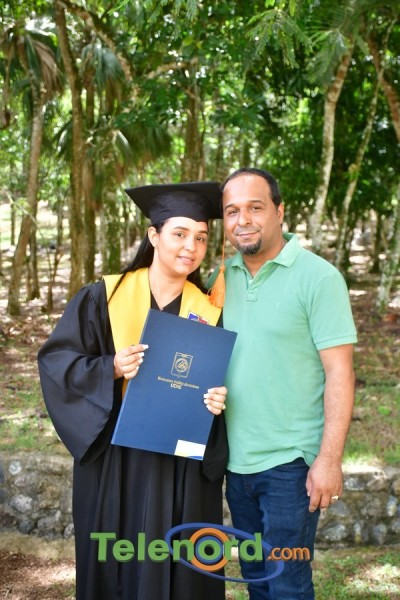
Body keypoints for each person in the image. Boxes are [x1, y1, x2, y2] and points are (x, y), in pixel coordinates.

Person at [37, 182, 229, 600]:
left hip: (181, 465)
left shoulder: (211, 311)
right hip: (116, 459)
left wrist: (217, 402)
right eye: (179, 234)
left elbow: (222, 384)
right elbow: (56, 362)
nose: (191, 247)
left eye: (201, 238)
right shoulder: (103, 298)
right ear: (153, 236)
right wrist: (109, 367)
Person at [212, 167, 357, 599]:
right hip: (236, 462)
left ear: (279, 211)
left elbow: (340, 372)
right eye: (232, 211)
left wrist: (329, 459)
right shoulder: (221, 279)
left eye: (255, 208)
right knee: (255, 578)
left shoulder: (319, 277)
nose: (243, 220)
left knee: (287, 583)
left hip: (291, 466)